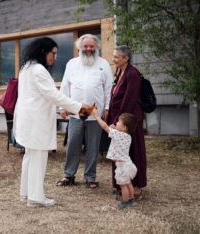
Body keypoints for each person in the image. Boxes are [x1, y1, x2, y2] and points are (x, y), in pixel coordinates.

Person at [13, 37, 88, 207]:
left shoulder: (26, 68)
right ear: (43, 51)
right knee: (38, 158)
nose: (54, 57)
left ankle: (26, 194)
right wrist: (80, 108)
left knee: (30, 157)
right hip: (36, 121)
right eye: (52, 53)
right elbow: (54, 95)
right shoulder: (38, 70)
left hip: (28, 120)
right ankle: (36, 198)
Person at [56, 34, 113, 188]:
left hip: (95, 112)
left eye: (91, 46)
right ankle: (69, 175)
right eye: (85, 46)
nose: (88, 49)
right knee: (73, 144)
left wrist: (107, 107)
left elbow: (108, 88)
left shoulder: (103, 64)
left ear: (96, 47)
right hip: (76, 111)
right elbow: (65, 86)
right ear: (79, 47)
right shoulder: (72, 63)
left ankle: (90, 177)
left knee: (93, 146)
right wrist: (62, 107)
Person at [107, 45, 146, 199]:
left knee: (133, 152)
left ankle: (136, 187)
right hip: (118, 119)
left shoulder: (133, 74)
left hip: (129, 121)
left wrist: (118, 122)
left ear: (126, 58)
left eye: (117, 57)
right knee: (119, 152)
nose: (114, 59)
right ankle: (121, 184)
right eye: (114, 56)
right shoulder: (119, 71)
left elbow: (129, 99)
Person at [91, 109, 138, 209]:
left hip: (122, 167)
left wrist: (96, 116)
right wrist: (115, 129)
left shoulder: (118, 134)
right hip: (128, 164)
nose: (116, 122)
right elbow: (117, 133)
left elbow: (104, 127)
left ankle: (125, 202)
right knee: (128, 183)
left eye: (119, 122)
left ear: (124, 127)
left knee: (123, 186)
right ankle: (132, 199)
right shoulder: (127, 136)